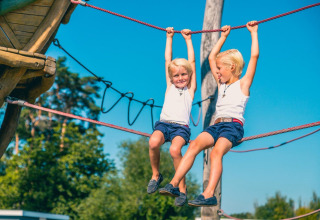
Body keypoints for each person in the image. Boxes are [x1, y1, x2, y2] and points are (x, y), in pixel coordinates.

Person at [159, 21, 259, 207]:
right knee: (195, 145)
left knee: (216, 154)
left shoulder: (243, 84)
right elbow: (212, 57)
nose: (217, 73)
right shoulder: (221, 84)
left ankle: (208, 194)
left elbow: (254, 56)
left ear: (232, 67)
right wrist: (223, 37)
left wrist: (253, 32)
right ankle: (174, 184)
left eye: (220, 69)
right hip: (216, 125)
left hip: (233, 126)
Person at [147, 27, 197, 207]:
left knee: (175, 151)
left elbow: (192, 60)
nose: (180, 78)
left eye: (184, 74)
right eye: (176, 75)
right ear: (171, 77)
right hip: (164, 124)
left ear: (189, 75)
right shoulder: (170, 86)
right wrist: (169, 38)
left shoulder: (190, 90)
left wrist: (188, 40)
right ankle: (156, 175)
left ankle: (182, 189)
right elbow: (167, 60)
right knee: (153, 142)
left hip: (180, 128)